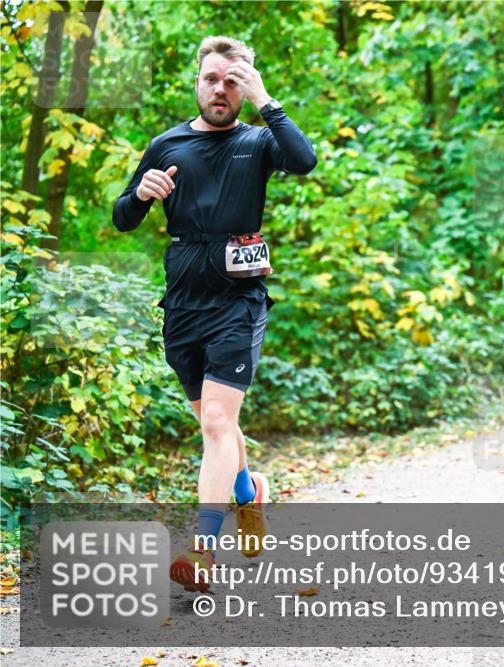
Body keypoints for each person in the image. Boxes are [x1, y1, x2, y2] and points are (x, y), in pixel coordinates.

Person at [113, 36, 317, 589]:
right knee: (216, 421)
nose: (221, 89)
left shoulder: (259, 139)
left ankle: (202, 550)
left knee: (217, 422)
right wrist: (140, 195)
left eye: (233, 80)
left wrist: (266, 101)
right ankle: (250, 493)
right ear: (197, 84)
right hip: (182, 299)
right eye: (212, 79)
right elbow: (123, 218)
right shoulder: (167, 144)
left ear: (244, 87)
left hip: (239, 300)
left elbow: (304, 160)